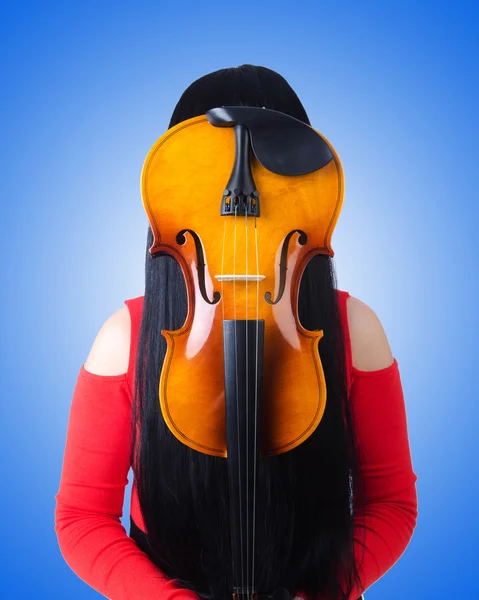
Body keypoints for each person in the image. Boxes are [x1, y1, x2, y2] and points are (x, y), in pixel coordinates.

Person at [54, 64, 418, 600]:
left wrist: (322, 593)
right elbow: (82, 517)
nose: (244, 223)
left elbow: (392, 505)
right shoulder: (123, 335)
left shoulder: (354, 328)